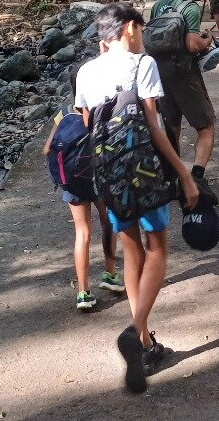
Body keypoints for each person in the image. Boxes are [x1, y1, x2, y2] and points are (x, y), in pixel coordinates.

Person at [74, 3, 199, 393]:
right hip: (143, 173)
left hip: (107, 175)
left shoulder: (86, 71)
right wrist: (184, 174)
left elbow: (86, 124)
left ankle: (144, 342)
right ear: (129, 28)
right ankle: (135, 329)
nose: (142, 37)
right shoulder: (141, 63)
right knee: (158, 249)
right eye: (140, 29)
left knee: (132, 253)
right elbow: (154, 125)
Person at [42, 65, 123, 310]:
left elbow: (47, 149)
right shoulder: (101, 110)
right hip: (97, 177)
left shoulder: (63, 113)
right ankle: (109, 274)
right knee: (108, 222)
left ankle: (82, 292)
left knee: (82, 233)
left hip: (72, 181)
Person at [149, 0, 217, 179]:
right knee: (206, 126)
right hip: (184, 74)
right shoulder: (190, 7)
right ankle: (197, 177)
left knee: (170, 127)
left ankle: (172, 176)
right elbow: (193, 45)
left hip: (159, 74)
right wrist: (208, 40)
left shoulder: (159, 4)